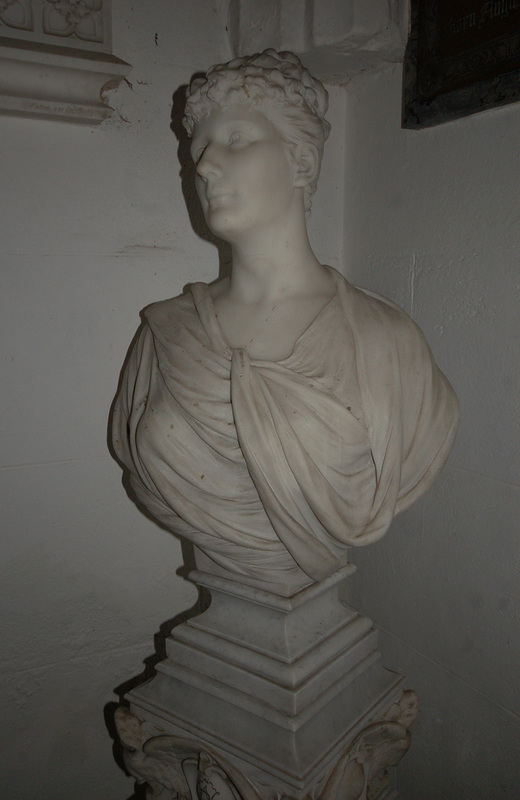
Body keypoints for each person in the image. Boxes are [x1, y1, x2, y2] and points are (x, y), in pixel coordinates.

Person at [112, 50, 459, 596]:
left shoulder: (386, 342)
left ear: (302, 162)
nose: (202, 166)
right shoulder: (165, 334)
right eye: (198, 148)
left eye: (235, 140)